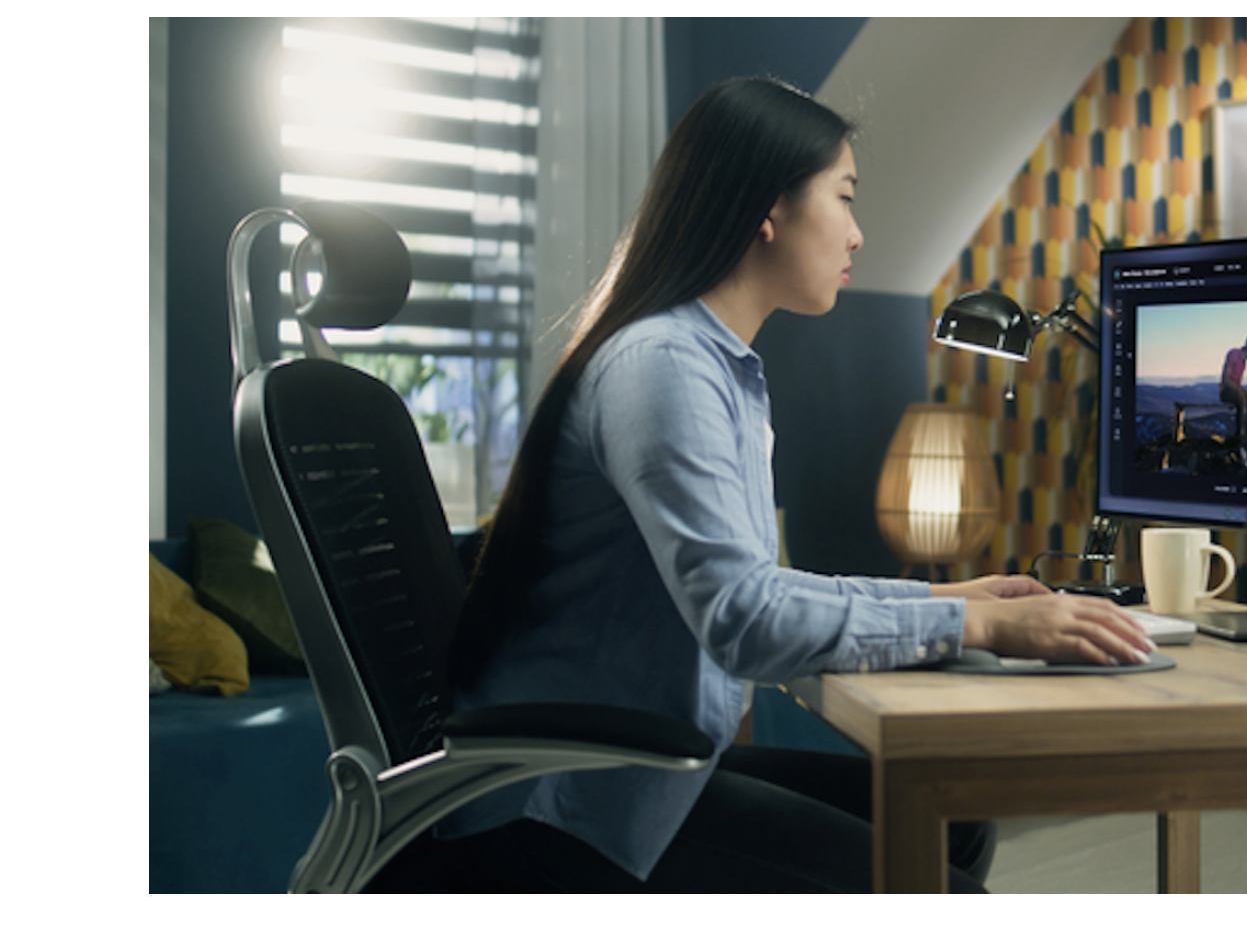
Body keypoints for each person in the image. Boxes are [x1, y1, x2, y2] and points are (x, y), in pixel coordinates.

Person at [393, 77, 1154, 894]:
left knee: (954, 819)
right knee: (940, 885)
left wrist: (946, 601)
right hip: (566, 806)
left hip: (638, 770)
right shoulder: (663, 369)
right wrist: (981, 627)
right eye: (844, 196)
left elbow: (753, 587)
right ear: (768, 209)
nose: (859, 234)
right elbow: (744, 622)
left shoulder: (711, 366)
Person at [1220, 334, 1247, 461]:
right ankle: (1240, 442)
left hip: (1235, 391)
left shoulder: (1243, 363)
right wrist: (1240, 392)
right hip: (1225, 391)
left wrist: (1244, 391)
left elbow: (1237, 385)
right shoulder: (1234, 354)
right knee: (1241, 400)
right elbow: (1226, 380)